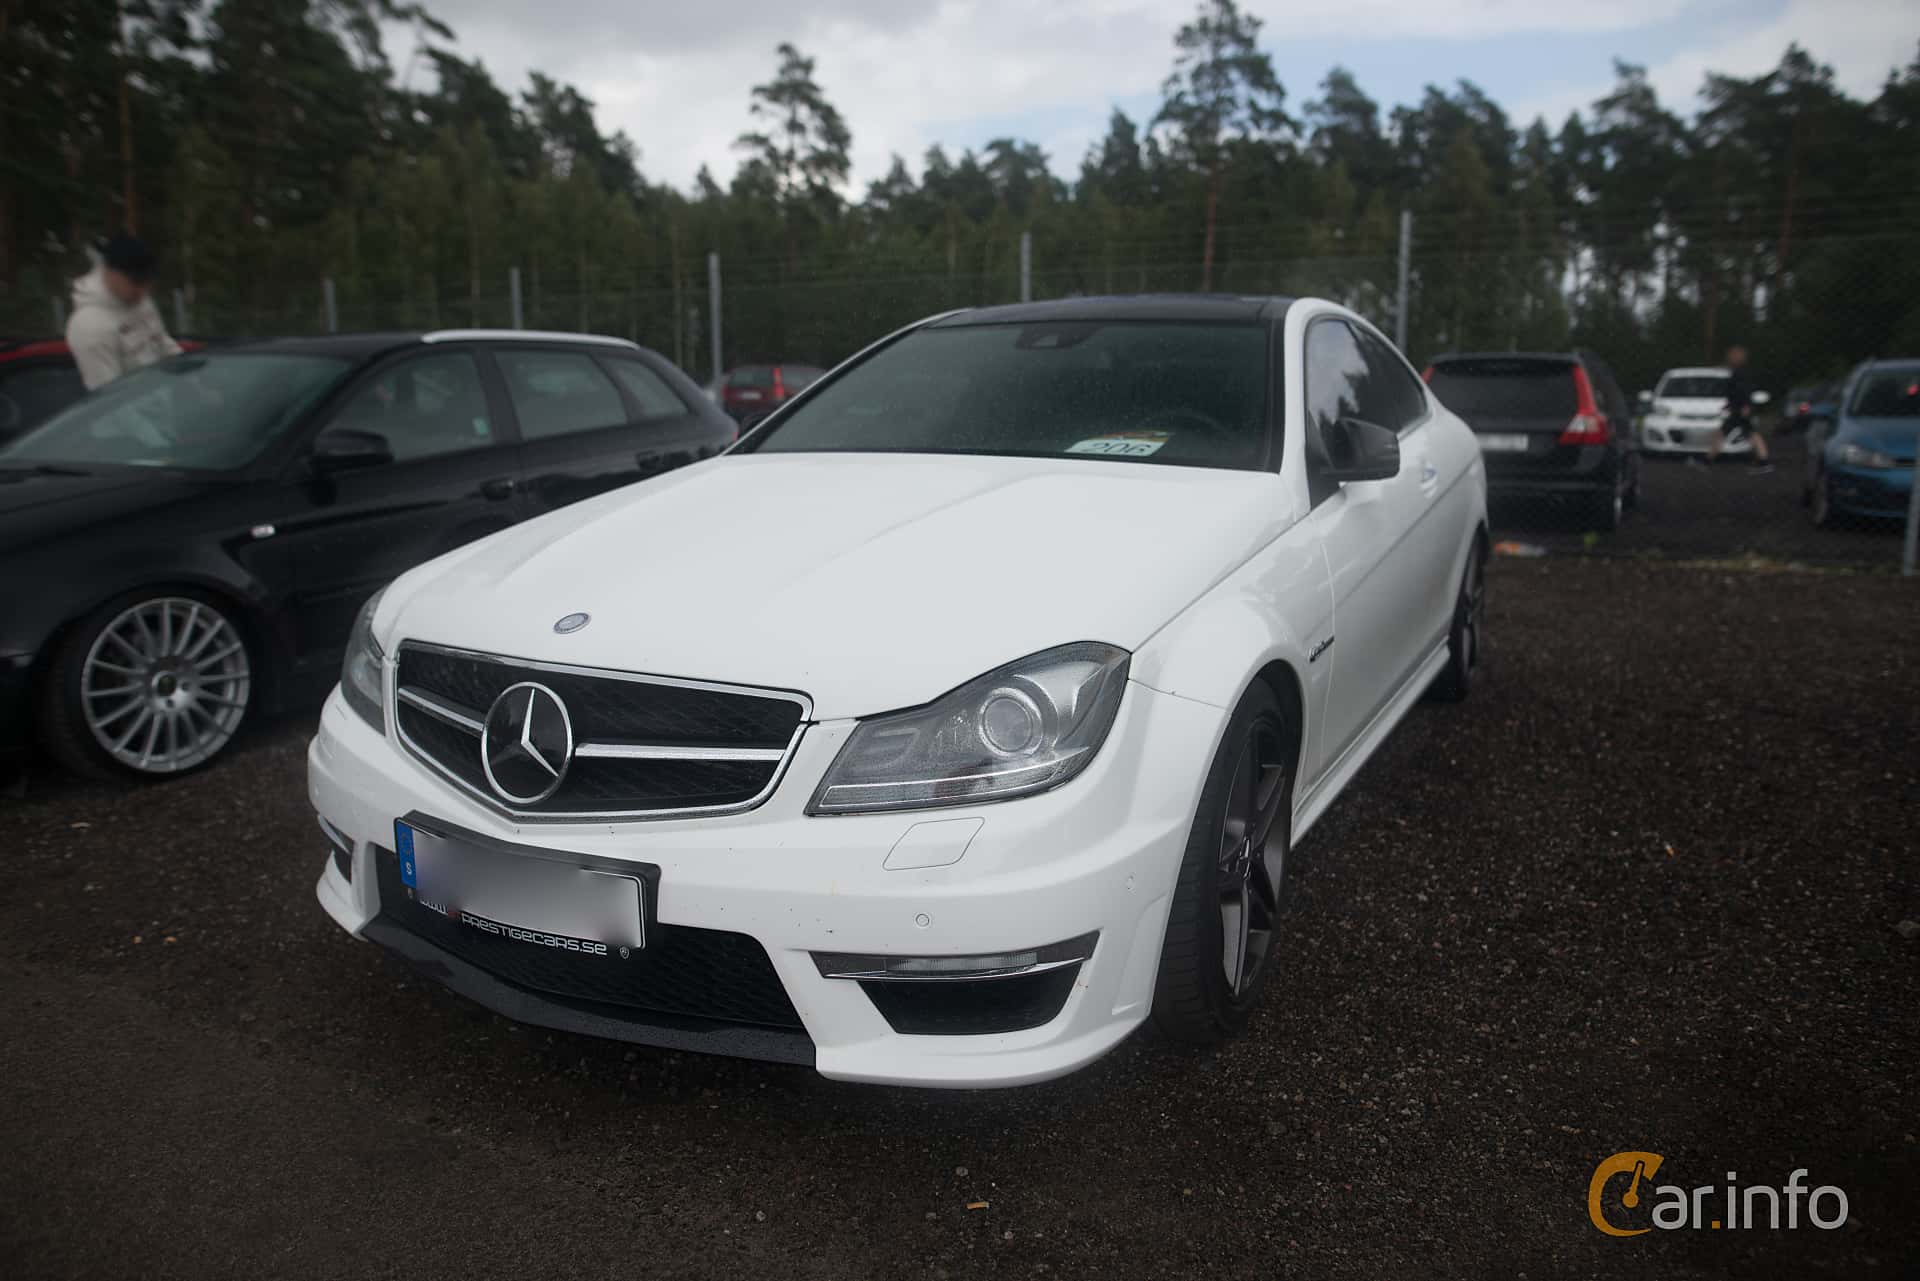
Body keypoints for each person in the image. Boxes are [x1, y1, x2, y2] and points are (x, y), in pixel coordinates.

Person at [65, 232, 182, 391]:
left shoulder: (139, 301)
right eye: (136, 282)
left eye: (148, 283)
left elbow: (165, 346)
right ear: (109, 271)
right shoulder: (88, 326)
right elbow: (109, 395)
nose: (143, 292)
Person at [1692, 344, 1773, 474]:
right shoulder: (1737, 372)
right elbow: (1735, 391)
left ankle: (1707, 461)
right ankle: (1764, 462)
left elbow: (1744, 391)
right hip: (1738, 409)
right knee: (1750, 434)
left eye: (1733, 355)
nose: (1730, 356)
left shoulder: (1741, 373)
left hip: (1740, 410)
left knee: (1727, 434)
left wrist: (1745, 406)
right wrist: (1730, 405)